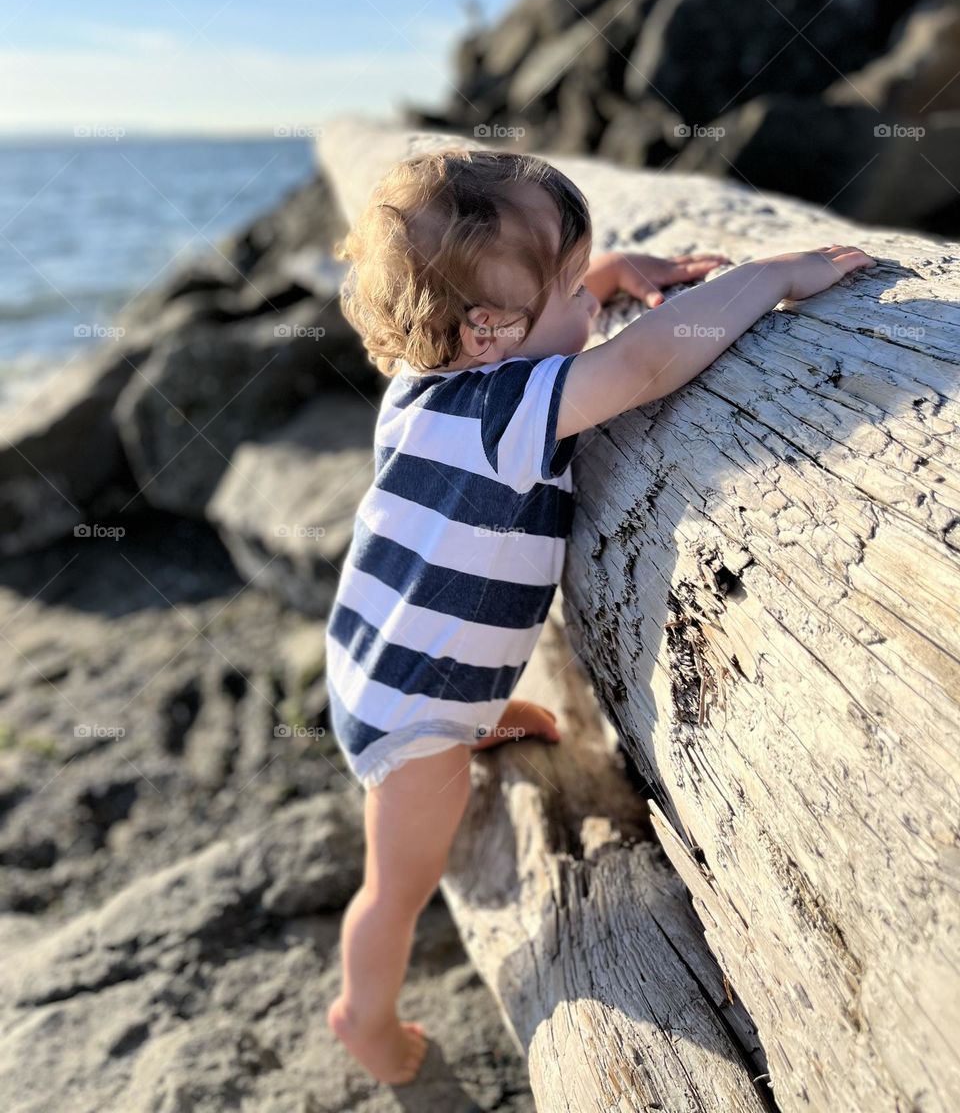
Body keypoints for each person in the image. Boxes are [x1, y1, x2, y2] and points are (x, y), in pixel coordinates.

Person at [324, 147, 876, 1084]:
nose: (594, 304)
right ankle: (363, 1016)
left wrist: (611, 276)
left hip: (374, 648)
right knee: (399, 882)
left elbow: (562, 332)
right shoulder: (510, 407)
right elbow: (651, 363)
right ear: (489, 334)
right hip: (412, 718)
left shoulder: (424, 386)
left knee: (456, 742)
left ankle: (482, 719)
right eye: (574, 287)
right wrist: (775, 275)